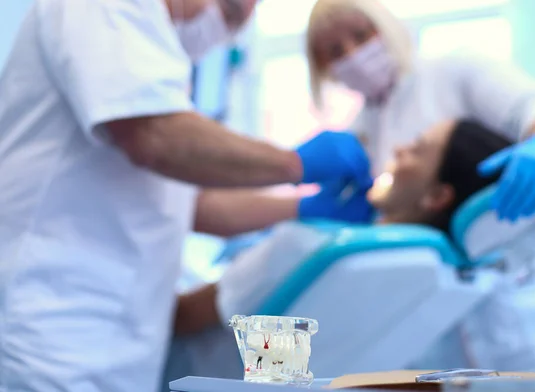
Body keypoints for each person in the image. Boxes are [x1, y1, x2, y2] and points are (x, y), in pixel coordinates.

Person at [0, 1, 372, 391]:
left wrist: (301, 206)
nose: (223, 30)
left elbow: (189, 204)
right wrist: (294, 165)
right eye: (227, 11)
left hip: (115, 348)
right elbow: (156, 136)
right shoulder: (105, 11)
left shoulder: (154, 68)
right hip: (49, 332)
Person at [173, 119, 535, 371]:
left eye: (416, 150)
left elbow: (185, 318)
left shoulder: (316, 247)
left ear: (437, 197)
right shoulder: (438, 279)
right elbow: (296, 363)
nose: (397, 148)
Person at [305, 0, 535, 223]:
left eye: (361, 35)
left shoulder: (454, 70)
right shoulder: (359, 133)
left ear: (385, 25)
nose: (353, 55)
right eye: (335, 51)